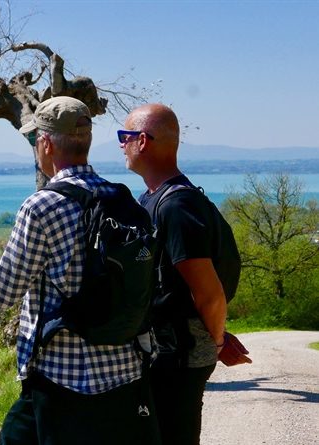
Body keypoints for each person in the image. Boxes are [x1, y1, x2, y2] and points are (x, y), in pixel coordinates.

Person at [0, 96, 160, 445]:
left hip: (62, 381)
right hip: (127, 375)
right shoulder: (121, 198)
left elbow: (1, 295)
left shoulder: (42, 206)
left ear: (45, 143)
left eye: (33, 139)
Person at [120, 103, 238, 445]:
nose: (120, 145)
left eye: (123, 137)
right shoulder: (153, 199)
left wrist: (216, 340)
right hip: (168, 350)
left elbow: (208, 292)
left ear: (142, 141)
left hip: (178, 356)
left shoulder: (176, 206)